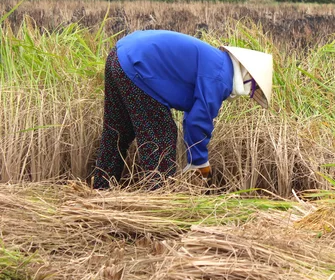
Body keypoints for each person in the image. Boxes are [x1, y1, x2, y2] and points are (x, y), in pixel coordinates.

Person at [91, 29, 273, 189]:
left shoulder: (217, 63)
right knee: (162, 135)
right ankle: (157, 200)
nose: (250, 94)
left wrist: (196, 158)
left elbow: (192, 114)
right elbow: (198, 120)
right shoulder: (221, 76)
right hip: (139, 64)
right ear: (248, 77)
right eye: (253, 89)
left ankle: (100, 190)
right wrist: (199, 162)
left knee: (117, 131)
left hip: (120, 56)